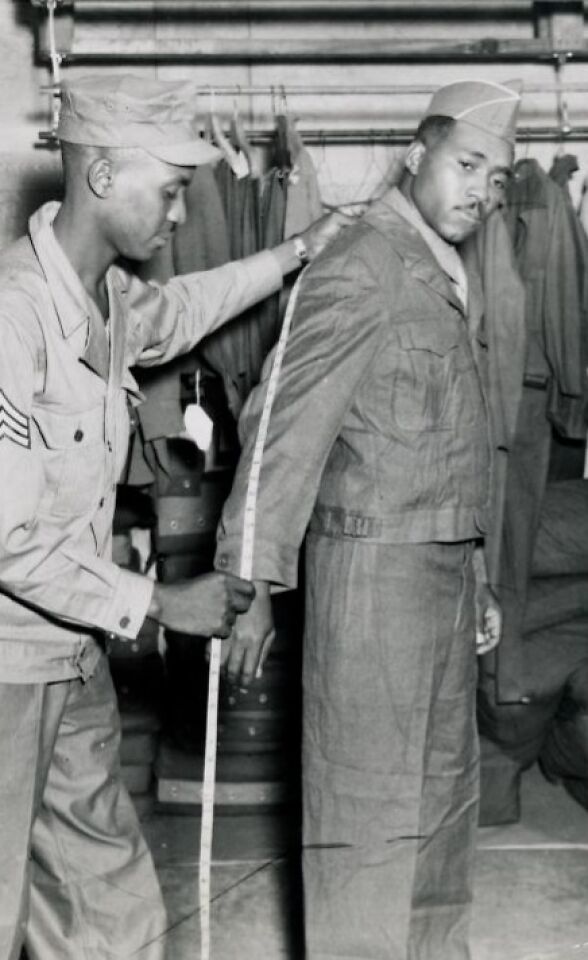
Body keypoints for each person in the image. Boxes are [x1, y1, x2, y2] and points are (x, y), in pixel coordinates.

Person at [0, 74, 345, 960]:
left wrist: (295, 254)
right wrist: (161, 602)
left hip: (67, 653)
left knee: (112, 916)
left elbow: (180, 312)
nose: (180, 213)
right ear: (100, 177)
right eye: (171, 190)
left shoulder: (104, 302)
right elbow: (5, 539)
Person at [215, 79, 521, 959]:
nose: (482, 191)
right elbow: (282, 426)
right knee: (367, 822)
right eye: (468, 166)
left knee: (440, 813)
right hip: (372, 582)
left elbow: (448, 446)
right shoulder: (361, 263)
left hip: (440, 583)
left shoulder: (444, 270)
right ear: (416, 154)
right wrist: (252, 584)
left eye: (497, 179)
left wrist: (477, 576)